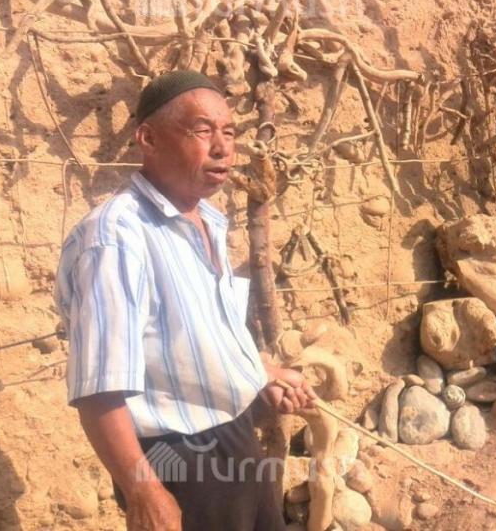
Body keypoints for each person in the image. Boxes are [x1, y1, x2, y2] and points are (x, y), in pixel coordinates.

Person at [55, 70, 315, 531]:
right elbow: (99, 389)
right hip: (178, 461)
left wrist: (259, 376)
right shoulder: (116, 238)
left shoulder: (206, 221)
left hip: (233, 440)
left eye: (229, 132)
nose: (222, 147)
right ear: (148, 139)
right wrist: (143, 489)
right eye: (202, 130)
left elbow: (198, 338)